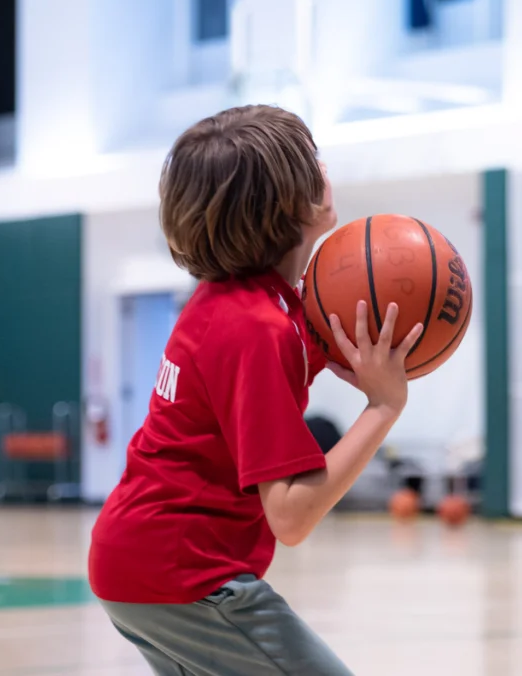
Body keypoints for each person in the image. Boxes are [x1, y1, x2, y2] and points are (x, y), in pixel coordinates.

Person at [88, 105, 422, 673]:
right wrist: (384, 406)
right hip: (184, 571)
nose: (324, 170)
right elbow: (290, 516)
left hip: (140, 561)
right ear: (289, 204)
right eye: (311, 163)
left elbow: (327, 347)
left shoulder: (253, 304)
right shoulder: (256, 328)